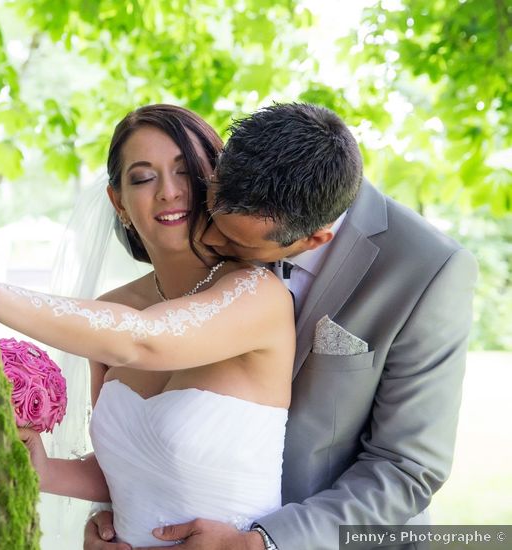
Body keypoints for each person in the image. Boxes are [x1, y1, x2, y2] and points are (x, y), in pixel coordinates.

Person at [82, 103, 478, 550]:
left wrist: (262, 542)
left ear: (313, 239)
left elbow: (406, 469)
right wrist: (121, 513)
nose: (211, 240)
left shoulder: (428, 270)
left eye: (233, 241)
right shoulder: (256, 172)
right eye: (213, 217)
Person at [0, 104, 298, 548]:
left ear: (215, 185)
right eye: (142, 177)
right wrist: (45, 469)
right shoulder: (110, 310)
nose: (168, 192)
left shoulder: (256, 296)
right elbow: (126, 467)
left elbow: (142, 339)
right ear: (118, 202)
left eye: (185, 172)